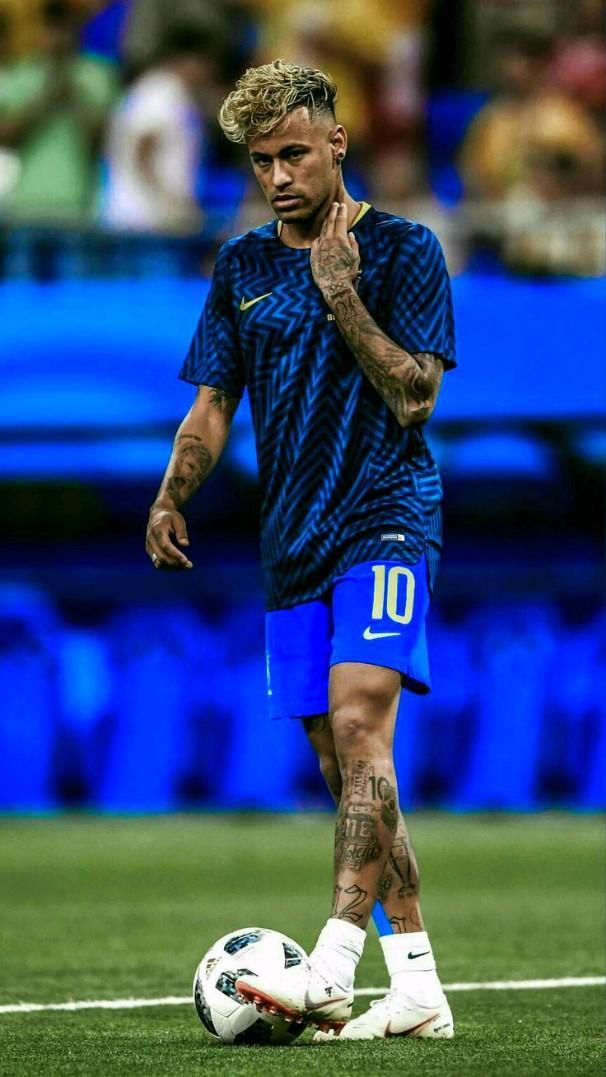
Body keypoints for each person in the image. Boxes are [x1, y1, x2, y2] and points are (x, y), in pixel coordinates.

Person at [146, 59, 456, 1042]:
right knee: (345, 764)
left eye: (292, 154)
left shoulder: (405, 250)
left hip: (386, 515)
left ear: (337, 143)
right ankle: (416, 986)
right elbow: (211, 405)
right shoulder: (239, 267)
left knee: (365, 724)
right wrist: (170, 493)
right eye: (259, 161)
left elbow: (416, 396)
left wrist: (343, 298)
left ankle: (331, 961)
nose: (277, 176)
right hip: (294, 538)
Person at [103, 24, 217, 235]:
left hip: (152, 223)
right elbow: (141, 152)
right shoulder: (160, 93)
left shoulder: (172, 93)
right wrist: (170, 204)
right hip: (144, 224)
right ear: (188, 59)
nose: (209, 72)